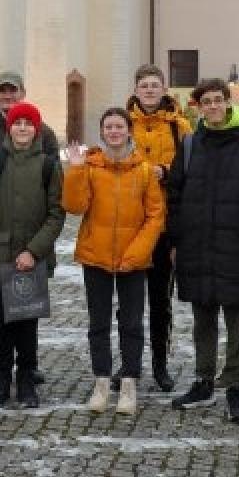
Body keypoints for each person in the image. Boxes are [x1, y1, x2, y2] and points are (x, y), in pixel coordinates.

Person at [166, 78, 239, 424]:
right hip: (197, 245)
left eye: (218, 100)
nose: (213, 106)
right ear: (199, 107)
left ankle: (236, 386)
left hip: (236, 245)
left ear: (228, 103)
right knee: (203, 317)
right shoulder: (191, 144)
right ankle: (204, 380)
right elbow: (174, 196)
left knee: (238, 319)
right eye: (206, 101)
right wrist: (175, 241)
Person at [63, 108, 165, 416]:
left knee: (131, 323)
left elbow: (155, 216)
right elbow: (74, 206)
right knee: (99, 323)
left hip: (133, 260)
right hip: (96, 256)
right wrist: (76, 170)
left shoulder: (145, 170)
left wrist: (136, 253)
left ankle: (130, 383)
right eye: (109, 127)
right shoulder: (91, 167)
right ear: (102, 132)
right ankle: (102, 382)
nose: (114, 131)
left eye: (119, 126)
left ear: (128, 130)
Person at [0, 101, 65, 409]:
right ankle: (1, 382)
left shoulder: (48, 164)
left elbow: (56, 213)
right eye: (18, 122)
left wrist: (34, 252)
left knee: (26, 326)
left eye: (28, 123)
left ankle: (25, 382)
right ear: (10, 127)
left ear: (37, 129)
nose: (23, 128)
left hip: (31, 259)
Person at [126, 64, 192, 391]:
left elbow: (188, 172)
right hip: (130, 223)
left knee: (160, 299)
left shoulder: (180, 127)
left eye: (155, 85)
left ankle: (160, 363)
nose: (149, 90)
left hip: (164, 223)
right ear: (136, 90)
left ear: (164, 89)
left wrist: (166, 172)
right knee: (129, 299)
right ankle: (130, 364)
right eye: (144, 85)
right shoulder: (123, 124)